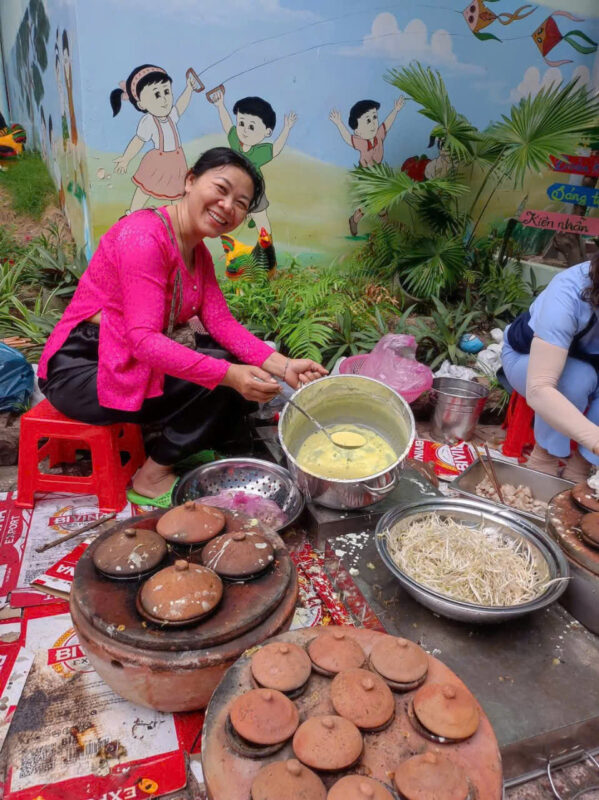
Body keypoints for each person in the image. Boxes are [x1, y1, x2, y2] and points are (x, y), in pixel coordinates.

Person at [37, 147, 327, 507]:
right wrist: (228, 375)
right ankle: (152, 475)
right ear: (190, 180)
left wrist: (285, 367)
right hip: (82, 369)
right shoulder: (144, 237)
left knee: (230, 366)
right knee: (222, 382)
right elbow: (144, 341)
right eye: (220, 189)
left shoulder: (197, 252)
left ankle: (184, 445)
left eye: (240, 203)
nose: (227, 206)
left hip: (124, 359)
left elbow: (222, 323)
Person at [502, 252, 599, 482]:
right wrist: (595, 439)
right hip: (527, 360)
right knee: (575, 381)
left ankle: (582, 466)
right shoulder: (569, 291)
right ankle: (544, 458)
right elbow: (540, 388)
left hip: (590, 366)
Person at [110, 64, 198, 213]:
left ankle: (179, 217)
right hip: (158, 162)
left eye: (167, 92)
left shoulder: (171, 115)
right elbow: (138, 140)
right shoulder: (149, 121)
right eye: (157, 95)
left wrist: (189, 89)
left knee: (178, 191)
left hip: (176, 161)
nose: (164, 99)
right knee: (145, 189)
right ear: (141, 104)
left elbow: (181, 105)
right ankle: (132, 213)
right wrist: (126, 158)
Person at [210, 90, 296, 232]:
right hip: (235, 186)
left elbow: (276, 149)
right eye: (241, 123)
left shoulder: (259, 152)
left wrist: (286, 129)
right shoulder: (236, 140)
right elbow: (227, 125)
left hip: (254, 189)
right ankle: (248, 213)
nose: (244, 130)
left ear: (267, 132)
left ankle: (265, 244)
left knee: (260, 218)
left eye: (251, 127)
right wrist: (220, 106)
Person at [329, 97, 405, 236]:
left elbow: (387, 124)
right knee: (367, 205)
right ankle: (354, 220)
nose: (373, 123)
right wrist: (339, 123)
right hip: (366, 175)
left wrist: (396, 110)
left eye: (374, 117)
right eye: (368, 120)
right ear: (357, 131)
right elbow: (348, 138)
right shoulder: (361, 143)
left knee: (382, 202)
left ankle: (386, 226)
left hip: (378, 173)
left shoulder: (379, 135)